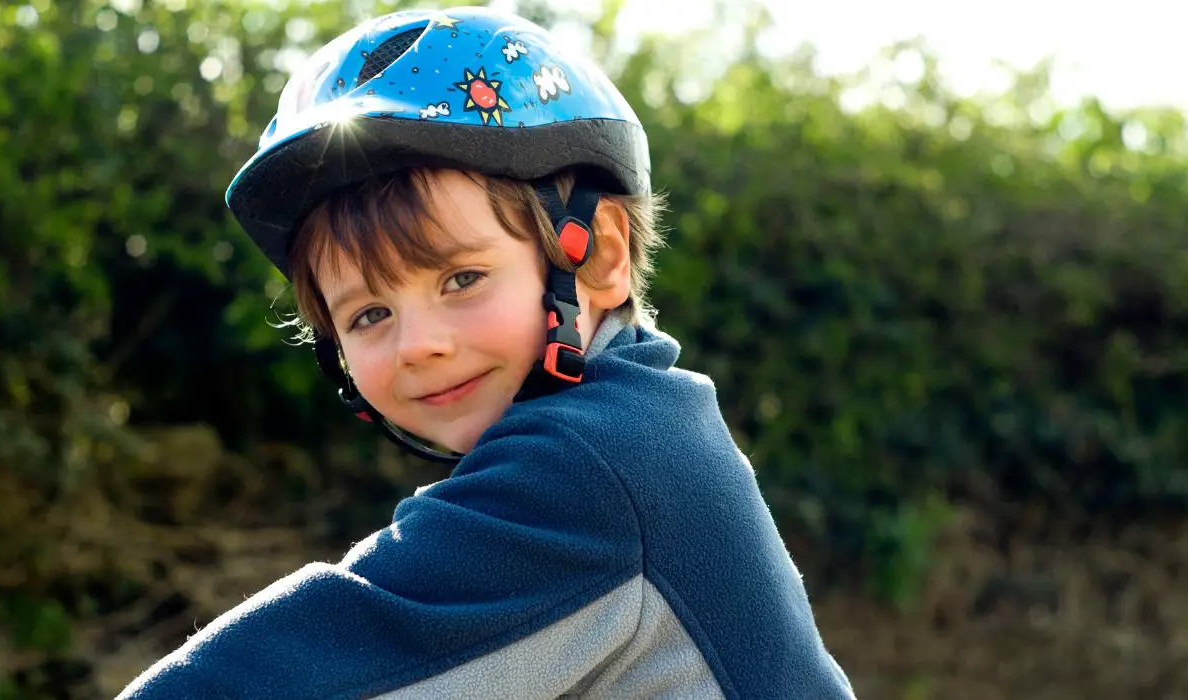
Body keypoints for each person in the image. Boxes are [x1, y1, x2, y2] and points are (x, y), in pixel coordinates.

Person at [119, 6, 856, 699]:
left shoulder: (590, 471)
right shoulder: (648, 423)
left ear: (596, 255)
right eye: (370, 313)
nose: (419, 345)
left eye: (461, 279)